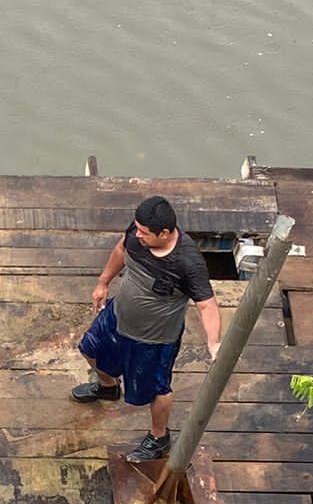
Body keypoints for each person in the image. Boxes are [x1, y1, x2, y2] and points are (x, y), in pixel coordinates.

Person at [73, 195, 223, 461]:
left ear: (164, 233)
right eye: (137, 228)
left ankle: (159, 436)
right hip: (118, 317)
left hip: (154, 340)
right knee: (89, 349)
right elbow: (121, 249)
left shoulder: (188, 263)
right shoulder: (136, 233)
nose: (137, 234)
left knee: (157, 390)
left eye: (144, 232)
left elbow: (207, 305)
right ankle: (108, 387)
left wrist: (214, 342)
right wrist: (103, 282)